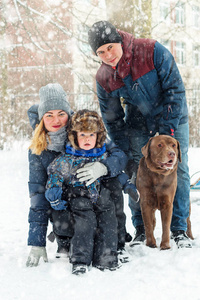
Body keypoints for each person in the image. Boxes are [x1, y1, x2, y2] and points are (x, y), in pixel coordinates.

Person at [88, 20, 192, 248]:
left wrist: (166, 135)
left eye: (110, 47)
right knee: (135, 170)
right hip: (138, 123)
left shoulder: (151, 50)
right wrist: (123, 149)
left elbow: (175, 89)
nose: (107, 55)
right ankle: (142, 230)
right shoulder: (104, 78)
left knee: (177, 169)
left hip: (173, 116)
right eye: (100, 52)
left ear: (119, 41)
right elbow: (112, 119)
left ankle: (178, 229)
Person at [26, 83, 132, 268]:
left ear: (69, 114)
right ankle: (65, 242)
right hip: (68, 198)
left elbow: (118, 155)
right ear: (42, 118)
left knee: (112, 186)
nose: (56, 120)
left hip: (94, 191)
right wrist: (37, 242)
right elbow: (37, 194)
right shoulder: (38, 149)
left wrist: (103, 167)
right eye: (49, 115)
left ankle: (116, 242)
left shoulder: (82, 129)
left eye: (61, 113)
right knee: (58, 200)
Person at [45, 109, 138, 274]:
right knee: (85, 224)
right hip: (79, 198)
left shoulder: (102, 156)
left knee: (109, 220)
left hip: (101, 197)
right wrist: (54, 193)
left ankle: (107, 257)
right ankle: (80, 260)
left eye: (91, 135)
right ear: (74, 136)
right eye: (82, 135)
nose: (87, 139)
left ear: (99, 136)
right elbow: (55, 175)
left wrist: (128, 185)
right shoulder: (67, 159)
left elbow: (117, 173)